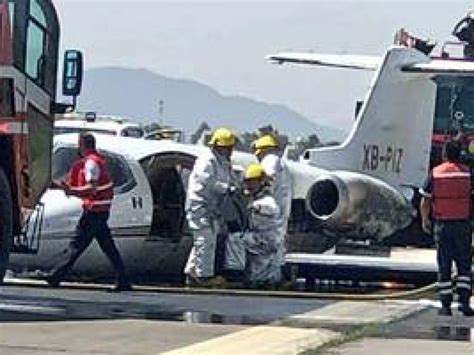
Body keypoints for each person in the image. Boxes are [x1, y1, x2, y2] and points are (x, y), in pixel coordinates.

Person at [46, 132, 131, 292]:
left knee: (77, 244)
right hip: (100, 210)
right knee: (108, 248)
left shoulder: (91, 164)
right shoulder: (98, 160)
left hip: (94, 210)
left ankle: (56, 275)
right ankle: (123, 279)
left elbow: (91, 189)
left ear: (82, 145)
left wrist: (72, 191)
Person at [419, 140, 473, 316]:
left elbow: (425, 200)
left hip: (442, 225)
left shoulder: (436, 173)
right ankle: (464, 303)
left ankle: (445, 306)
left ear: (444, 154)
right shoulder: (468, 173)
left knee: (444, 264)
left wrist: (425, 220)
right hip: (463, 225)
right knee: (464, 265)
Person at [184, 127, 239, 287]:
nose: (229, 151)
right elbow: (206, 182)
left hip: (212, 207)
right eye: (226, 147)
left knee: (205, 241)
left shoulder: (224, 162)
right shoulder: (207, 161)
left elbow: (231, 179)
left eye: (230, 147)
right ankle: (204, 276)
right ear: (217, 146)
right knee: (204, 240)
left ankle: (192, 272)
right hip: (200, 205)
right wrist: (226, 188)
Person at [252, 135, 292, 276]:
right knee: (277, 250)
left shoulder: (270, 160)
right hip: (280, 215)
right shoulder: (283, 165)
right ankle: (274, 279)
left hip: (269, 216)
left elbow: (267, 179)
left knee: (263, 251)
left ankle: (260, 280)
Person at [241, 163, 281, 287]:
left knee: (236, 241)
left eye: (253, 182)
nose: (249, 185)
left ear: (261, 182)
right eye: (247, 182)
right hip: (258, 240)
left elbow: (273, 209)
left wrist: (258, 208)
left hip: (266, 240)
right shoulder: (252, 198)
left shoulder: (266, 200)